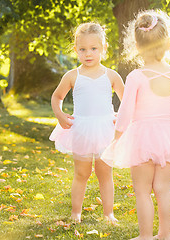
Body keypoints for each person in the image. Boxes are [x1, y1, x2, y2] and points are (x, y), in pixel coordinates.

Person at [101, 10, 170, 240]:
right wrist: (168, 119)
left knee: (142, 191)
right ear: (168, 43)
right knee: (163, 189)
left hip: (141, 137)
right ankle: (165, 236)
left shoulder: (136, 77)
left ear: (138, 47)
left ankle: (145, 236)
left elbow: (125, 113)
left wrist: (117, 138)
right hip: (167, 137)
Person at [49, 22, 124, 223]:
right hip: (81, 129)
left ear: (103, 48)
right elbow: (57, 97)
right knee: (81, 173)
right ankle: (76, 212)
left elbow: (127, 101)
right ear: (76, 50)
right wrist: (60, 115)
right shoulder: (73, 75)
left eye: (93, 49)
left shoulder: (111, 75)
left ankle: (109, 213)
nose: (88, 54)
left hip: (105, 131)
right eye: (82, 49)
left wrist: (121, 118)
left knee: (104, 174)